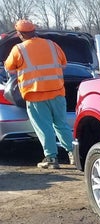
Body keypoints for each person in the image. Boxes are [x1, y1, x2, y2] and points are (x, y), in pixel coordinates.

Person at [3, 19, 73, 169]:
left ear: (19, 34)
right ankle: (74, 154)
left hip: (35, 95)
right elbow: (64, 64)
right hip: (58, 93)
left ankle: (51, 158)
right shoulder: (52, 45)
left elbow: (9, 69)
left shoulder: (19, 49)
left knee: (44, 127)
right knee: (62, 125)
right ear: (34, 31)